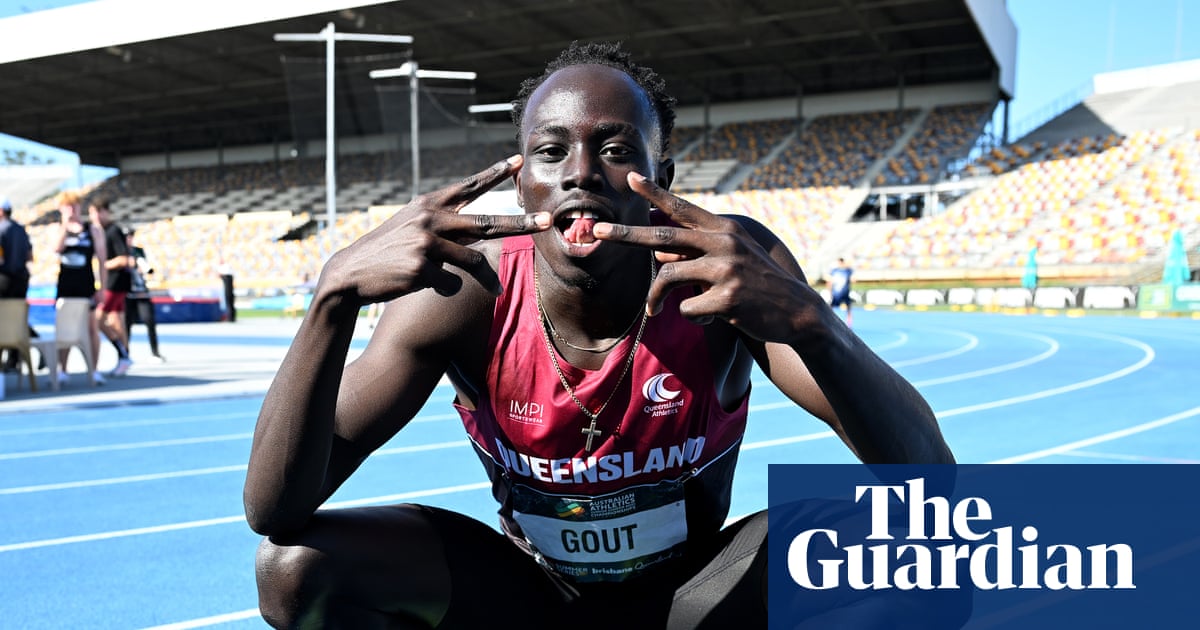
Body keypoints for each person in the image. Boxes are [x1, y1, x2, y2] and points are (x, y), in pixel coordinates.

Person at [245, 42, 956, 629]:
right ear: (522, 183)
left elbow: (932, 484)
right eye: (551, 152)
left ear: (662, 176)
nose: (581, 173)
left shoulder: (726, 269)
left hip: (695, 596)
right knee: (294, 568)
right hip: (532, 593)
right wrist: (331, 296)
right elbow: (274, 511)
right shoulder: (465, 292)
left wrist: (814, 322)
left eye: (615, 149)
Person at [54, 191, 106, 385]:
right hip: (66, 287)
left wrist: (102, 288)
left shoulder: (92, 229)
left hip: (86, 286)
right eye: (67, 206)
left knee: (92, 328)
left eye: (74, 205)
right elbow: (56, 249)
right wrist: (65, 226)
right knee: (64, 329)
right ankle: (63, 370)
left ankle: (94, 370)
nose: (71, 209)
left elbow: (101, 260)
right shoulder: (57, 228)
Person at [91, 196, 135, 376]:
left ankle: (121, 351)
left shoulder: (113, 231)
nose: (93, 218)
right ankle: (124, 357)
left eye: (94, 213)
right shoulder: (104, 231)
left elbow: (124, 259)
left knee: (98, 318)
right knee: (117, 322)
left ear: (102, 211)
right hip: (116, 283)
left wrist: (102, 264)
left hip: (114, 283)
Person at [1, 195, 40, 372]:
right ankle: (14, 359)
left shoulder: (1, 230)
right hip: (22, 280)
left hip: (5, 281)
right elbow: (30, 257)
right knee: (17, 318)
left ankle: (12, 359)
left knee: (7, 320)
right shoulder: (21, 230)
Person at [125, 229, 165, 362]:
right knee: (126, 325)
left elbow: (146, 268)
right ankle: (125, 354)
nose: (129, 239)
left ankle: (155, 352)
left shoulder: (138, 251)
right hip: (127, 293)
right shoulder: (120, 251)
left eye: (131, 237)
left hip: (142, 292)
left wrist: (141, 267)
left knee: (150, 321)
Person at [828, 257, 854, 327]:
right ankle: (829, 319)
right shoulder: (834, 270)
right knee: (831, 307)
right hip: (836, 293)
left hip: (845, 292)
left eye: (840, 263)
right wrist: (830, 291)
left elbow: (852, 279)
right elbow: (830, 281)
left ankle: (849, 322)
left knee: (848, 308)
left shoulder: (847, 271)